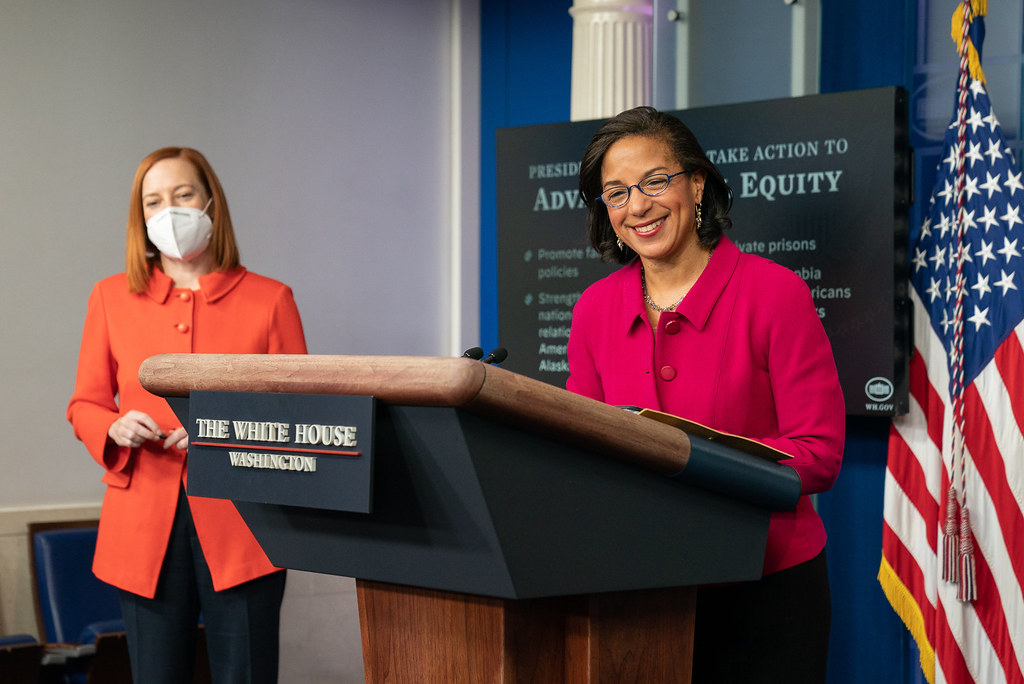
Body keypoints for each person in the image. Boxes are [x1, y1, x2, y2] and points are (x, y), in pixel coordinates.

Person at [568, 106, 845, 682]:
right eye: (615, 193)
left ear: (696, 184)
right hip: (638, 587)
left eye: (654, 181)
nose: (637, 206)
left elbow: (819, 452)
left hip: (766, 591)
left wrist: (692, 459)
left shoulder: (775, 294)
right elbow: (582, 446)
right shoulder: (594, 309)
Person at [67, 147, 307, 684]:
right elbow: (84, 402)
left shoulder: (271, 300)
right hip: (142, 524)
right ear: (140, 218)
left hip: (246, 527)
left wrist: (225, 439)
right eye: (153, 201)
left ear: (211, 204)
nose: (168, 211)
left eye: (182, 195)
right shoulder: (109, 298)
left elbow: (299, 418)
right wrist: (112, 425)